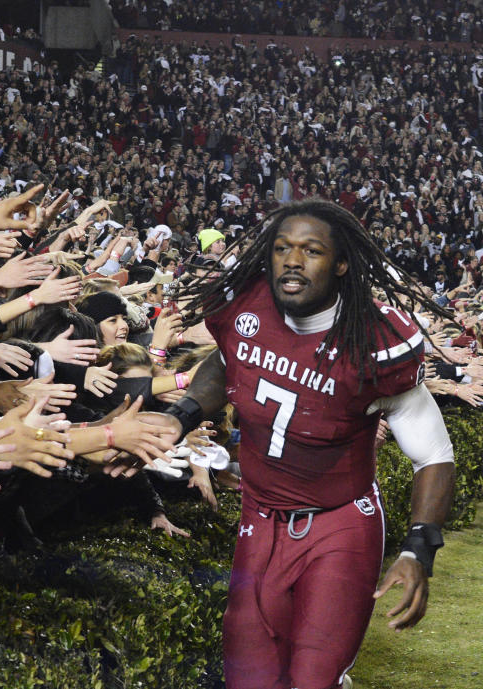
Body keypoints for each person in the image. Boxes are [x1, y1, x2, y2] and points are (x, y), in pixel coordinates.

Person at [158, 199, 455, 689]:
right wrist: (181, 414)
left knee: (313, 678)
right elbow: (228, 360)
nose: (291, 261)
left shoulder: (373, 340)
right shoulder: (245, 306)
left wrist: (419, 549)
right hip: (260, 516)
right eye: (282, 248)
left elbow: (433, 452)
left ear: (340, 264)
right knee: (249, 680)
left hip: (339, 524)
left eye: (311, 250)